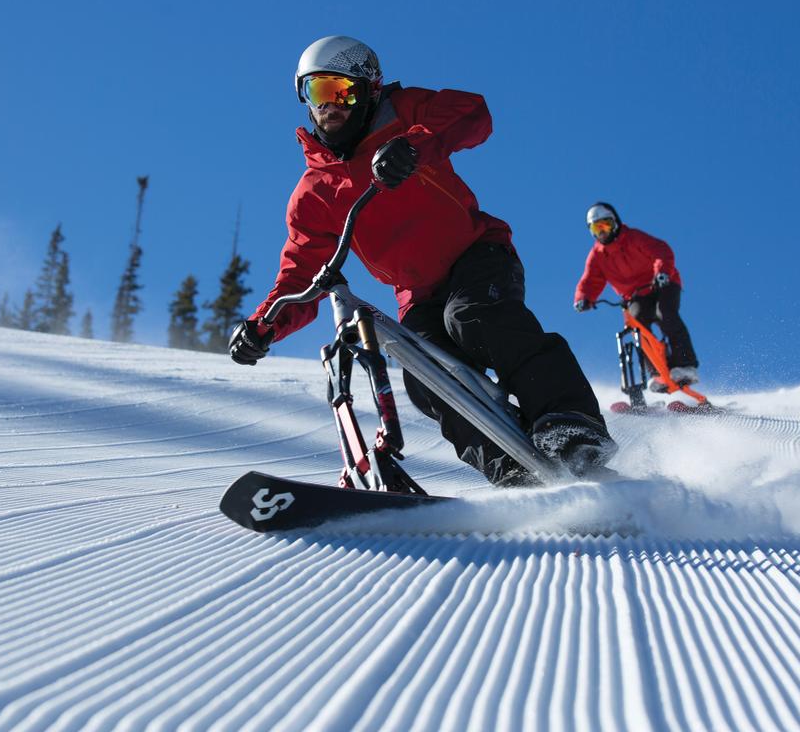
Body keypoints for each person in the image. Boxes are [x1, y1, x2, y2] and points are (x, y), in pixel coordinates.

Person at [227, 35, 616, 486]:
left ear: (368, 91)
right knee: (424, 377)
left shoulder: (403, 113)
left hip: (477, 253)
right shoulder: (314, 194)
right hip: (416, 292)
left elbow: (472, 112)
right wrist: (264, 325)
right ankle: (513, 469)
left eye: (341, 92)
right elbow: (300, 273)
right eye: (317, 93)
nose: (329, 106)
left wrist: (414, 145)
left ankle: (570, 424)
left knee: (474, 318)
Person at [573, 202, 700, 390]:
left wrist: (662, 272)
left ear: (615, 223)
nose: (602, 232)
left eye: (605, 225)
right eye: (596, 228)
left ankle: (685, 365)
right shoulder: (598, 255)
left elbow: (661, 251)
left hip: (661, 283)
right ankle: (658, 373)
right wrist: (583, 298)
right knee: (637, 326)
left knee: (665, 314)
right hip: (635, 295)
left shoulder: (632, 238)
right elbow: (590, 280)